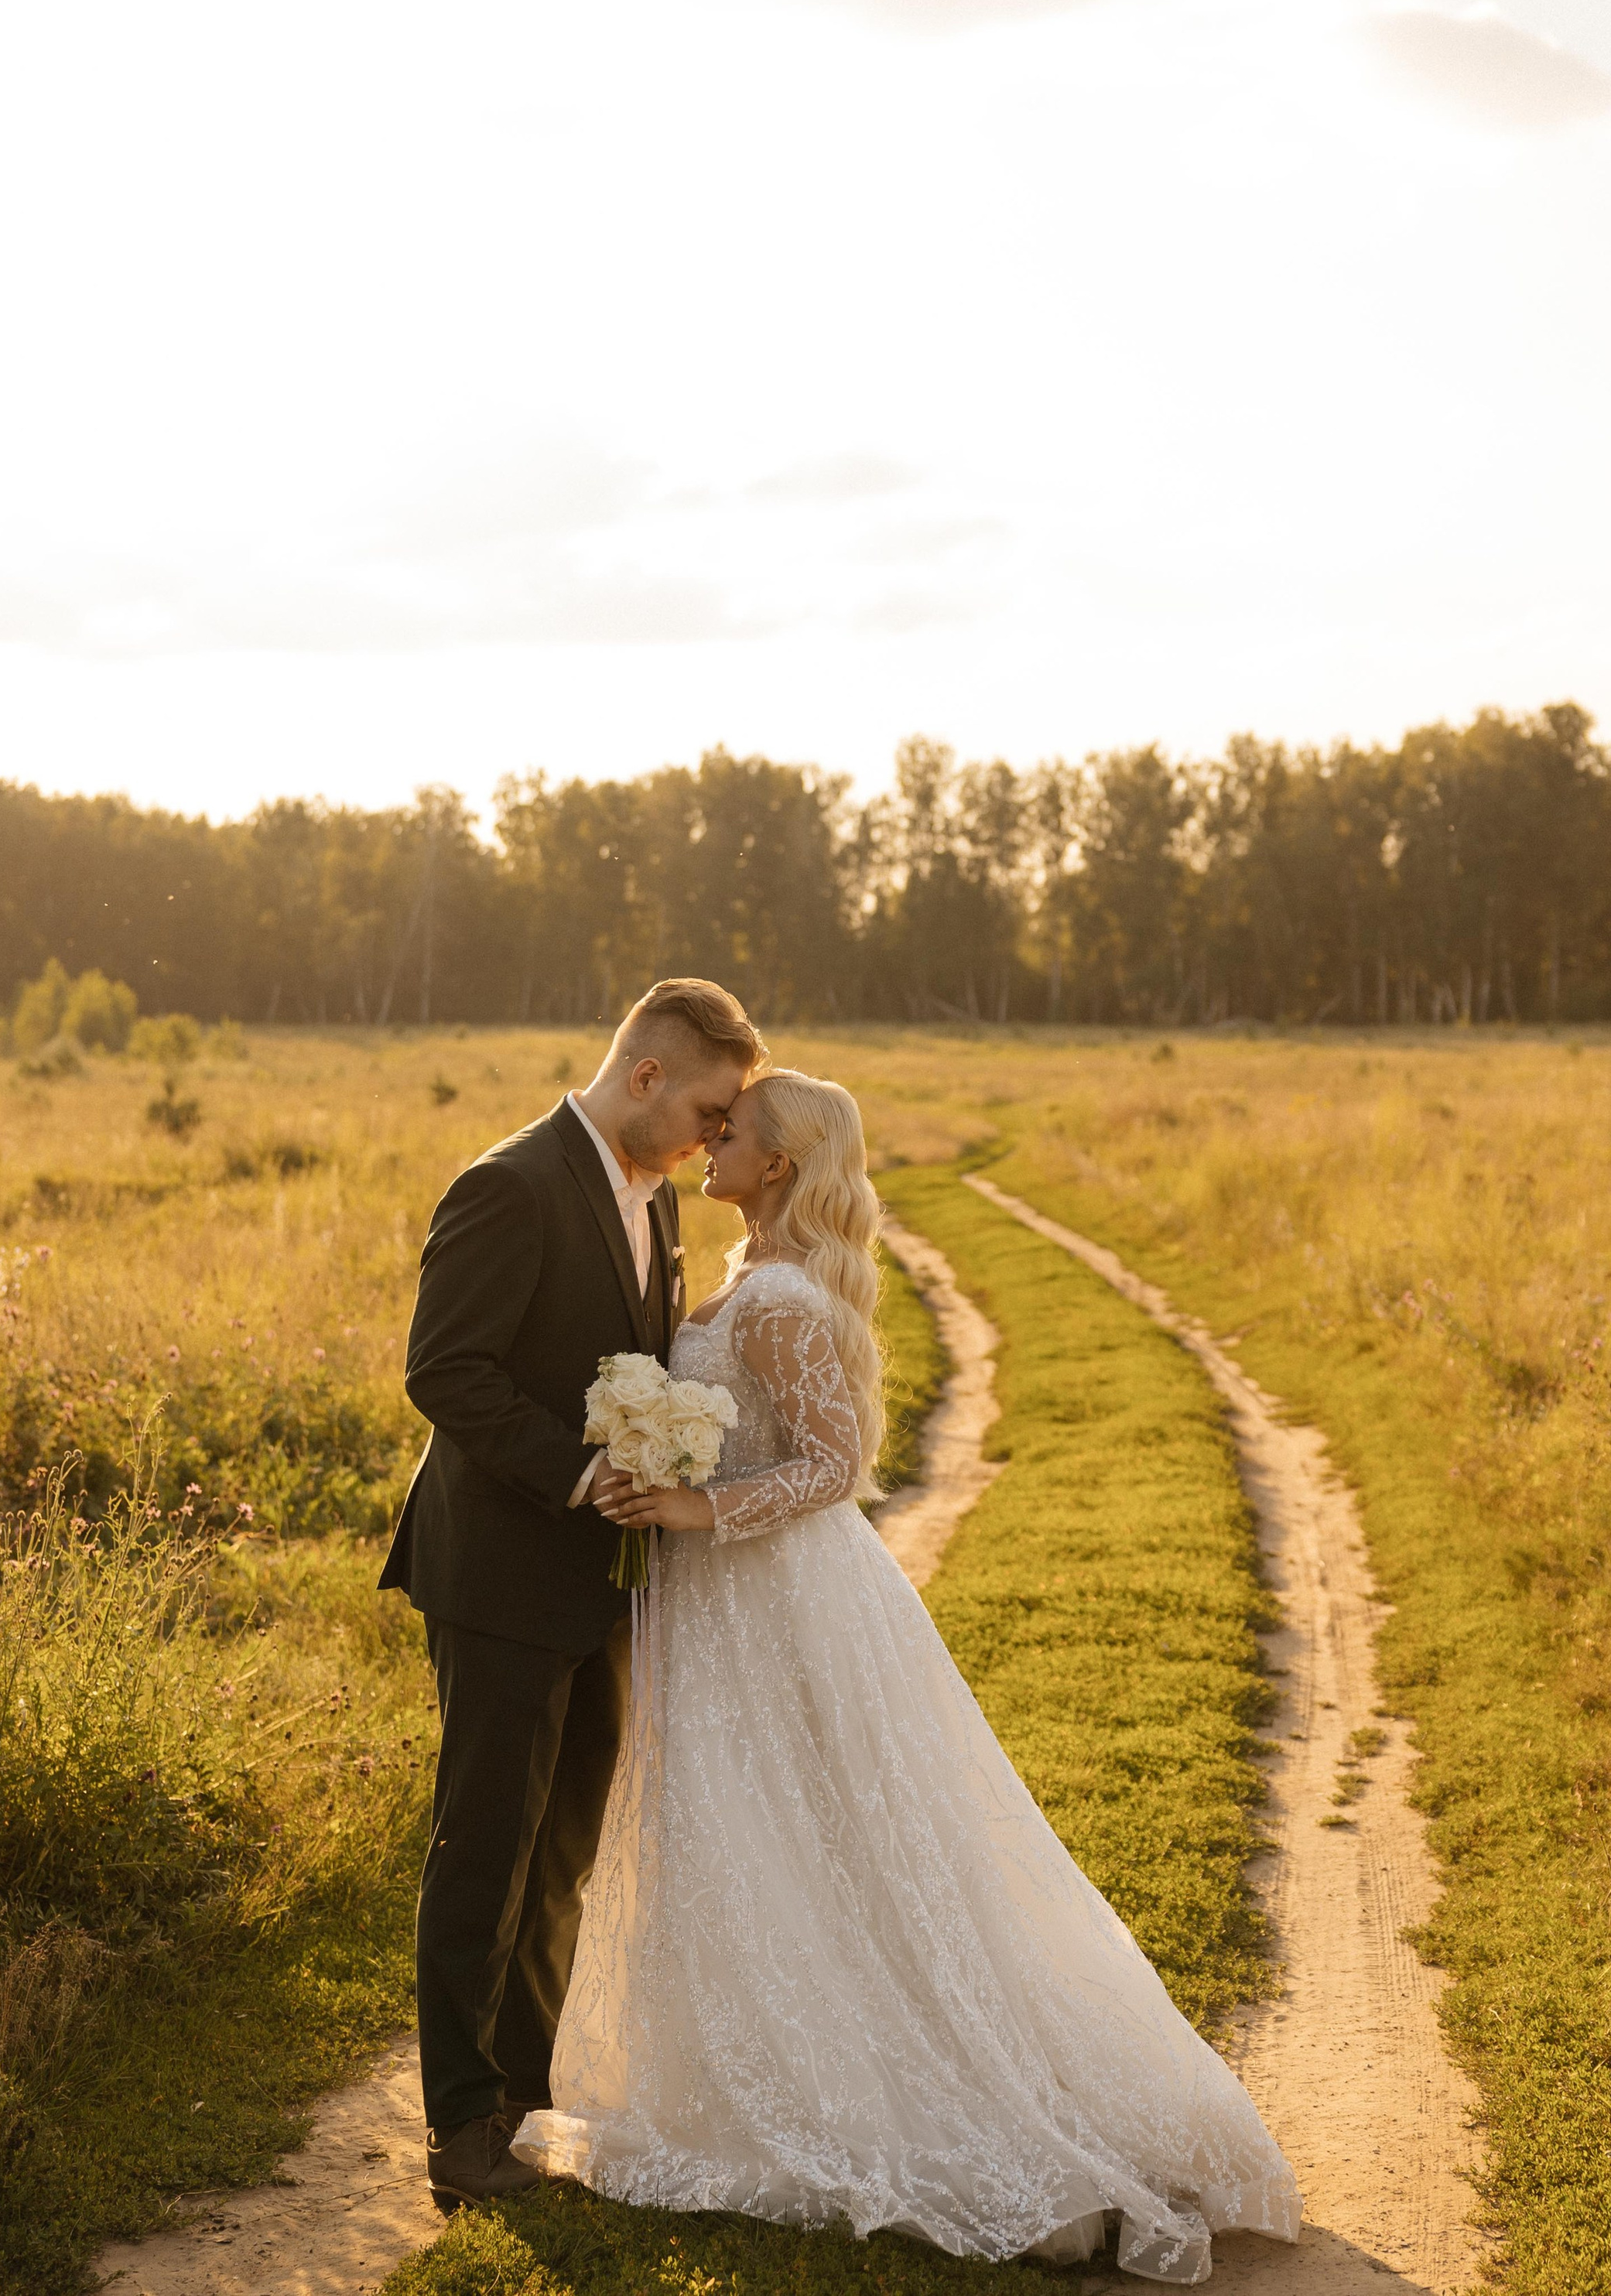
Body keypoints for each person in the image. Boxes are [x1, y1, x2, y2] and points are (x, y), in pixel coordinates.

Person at [515, 1069, 1304, 2284]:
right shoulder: (740, 1274)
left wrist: (693, 1501)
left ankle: (928, 2104)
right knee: (751, 1828)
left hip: (775, 1592)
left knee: (824, 1828)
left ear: (777, 1165)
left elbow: (834, 1465)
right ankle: (746, 2069)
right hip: (724, 1598)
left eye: (733, 1131)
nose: (710, 1141)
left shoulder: (777, 1297)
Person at [377, 977, 763, 2214]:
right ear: (646, 1076)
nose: (718, 1134)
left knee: (563, 1851)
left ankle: (523, 2095)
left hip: (602, 1579)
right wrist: (582, 1470)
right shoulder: (513, 1183)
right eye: (710, 1106)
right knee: (486, 1843)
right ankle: (458, 2127)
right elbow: (445, 1369)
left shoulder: (653, 1203)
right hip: (498, 1567)